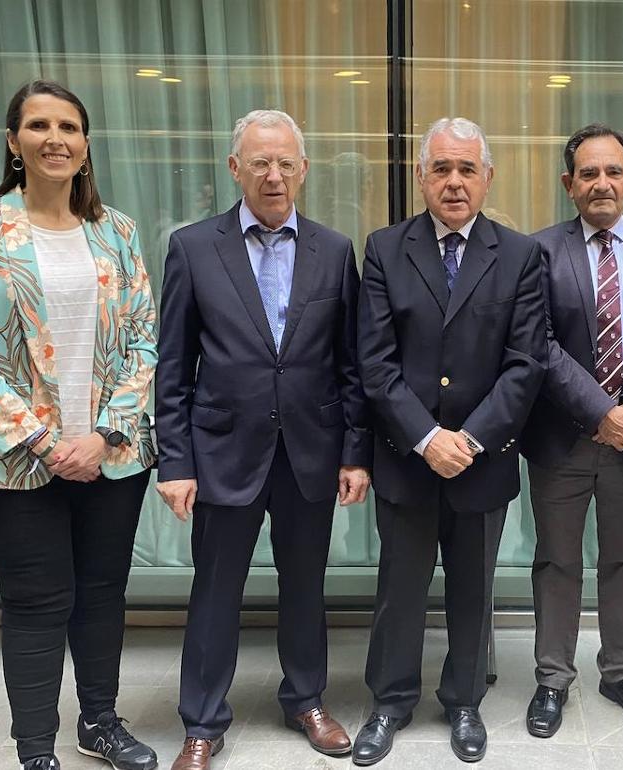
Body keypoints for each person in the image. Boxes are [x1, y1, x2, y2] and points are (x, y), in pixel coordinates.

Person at [0, 79, 158, 770]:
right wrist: (42, 440)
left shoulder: (116, 232)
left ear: (86, 144)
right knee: (37, 604)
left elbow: (145, 342)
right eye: (38, 126)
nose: (55, 138)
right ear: (14, 142)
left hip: (110, 458)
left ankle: (99, 723)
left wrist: (102, 436)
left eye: (68, 126)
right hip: (16, 461)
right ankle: (35, 746)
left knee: (101, 597)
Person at [155, 109, 371, 770]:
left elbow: (351, 364)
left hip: (309, 451)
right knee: (215, 589)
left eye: (285, 163)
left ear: (303, 170)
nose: (273, 175)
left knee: (305, 586)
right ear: (235, 169)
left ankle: (305, 698)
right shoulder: (193, 247)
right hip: (222, 452)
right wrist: (175, 460)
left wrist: (354, 452)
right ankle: (202, 721)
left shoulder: (334, 251)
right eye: (259, 163)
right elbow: (172, 365)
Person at [353, 117, 546, 765]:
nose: (455, 182)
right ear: (421, 178)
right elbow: (374, 363)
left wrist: (469, 439)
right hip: (407, 460)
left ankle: (464, 701)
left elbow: (526, 365)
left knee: (473, 590)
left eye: (467, 169)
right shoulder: (384, 248)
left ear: (487, 177)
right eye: (442, 169)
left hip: (481, 462)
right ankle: (390, 702)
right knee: (399, 589)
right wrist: (426, 436)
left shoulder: (520, 256)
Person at [521, 123, 623, 738]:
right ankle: (552, 678)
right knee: (556, 561)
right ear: (569, 184)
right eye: (587, 174)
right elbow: (536, 343)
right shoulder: (537, 251)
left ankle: (621, 673)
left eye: (612, 171)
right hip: (562, 439)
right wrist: (599, 412)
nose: (601, 184)